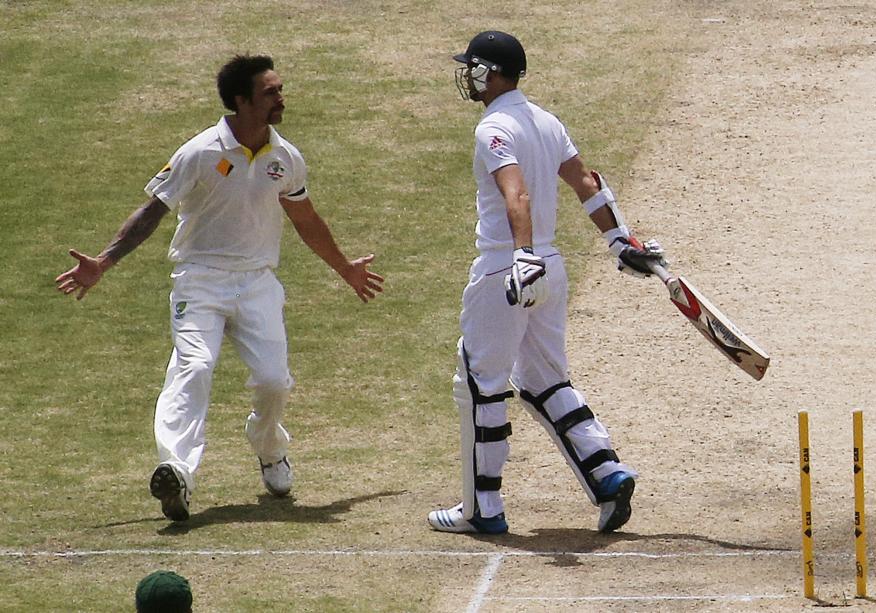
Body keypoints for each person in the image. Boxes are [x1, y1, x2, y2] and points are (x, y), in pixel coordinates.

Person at [56, 55, 384, 522]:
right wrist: (105, 261)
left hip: (257, 284)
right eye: (270, 92)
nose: (280, 98)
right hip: (200, 280)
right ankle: (177, 470)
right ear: (240, 100)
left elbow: (306, 220)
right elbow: (154, 210)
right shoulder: (200, 152)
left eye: (279, 89)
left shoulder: (285, 158)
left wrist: (345, 268)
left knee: (274, 381)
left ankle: (270, 449)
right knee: (195, 366)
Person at [427, 31, 667, 535]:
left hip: (507, 272)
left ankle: (481, 510)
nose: (467, 75)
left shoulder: (493, 127)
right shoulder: (545, 120)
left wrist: (521, 255)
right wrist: (620, 240)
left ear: (489, 72)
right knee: (544, 381)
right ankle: (606, 473)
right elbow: (587, 181)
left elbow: (516, 196)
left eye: (472, 67)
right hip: (550, 270)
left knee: (479, 384)